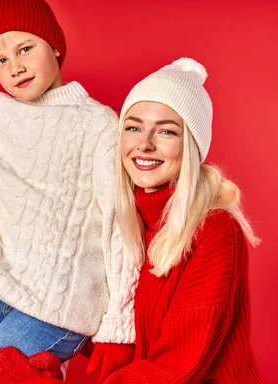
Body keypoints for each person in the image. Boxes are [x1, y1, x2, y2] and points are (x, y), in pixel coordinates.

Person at [0, 0, 138, 384]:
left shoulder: (99, 125)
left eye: (25, 49)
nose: (15, 67)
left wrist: (120, 325)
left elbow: (120, 226)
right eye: (0, 61)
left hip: (56, 307)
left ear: (56, 46)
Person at [98, 57, 262, 382]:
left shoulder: (213, 229)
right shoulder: (130, 224)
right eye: (133, 127)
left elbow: (175, 365)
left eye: (166, 132)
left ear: (191, 147)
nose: (144, 144)